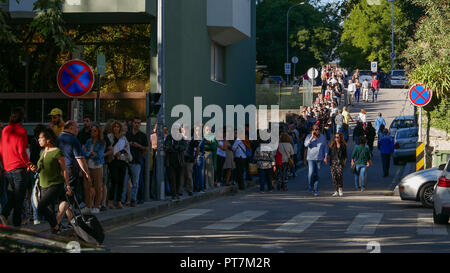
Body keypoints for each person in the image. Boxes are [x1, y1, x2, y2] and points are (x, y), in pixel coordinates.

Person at [30, 128, 72, 234]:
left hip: (55, 184)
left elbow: (64, 170)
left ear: (48, 140)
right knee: (49, 211)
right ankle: (55, 231)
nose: (38, 140)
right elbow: (40, 169)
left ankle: (56, 227)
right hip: (43, 185)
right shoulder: (43, 151)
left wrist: (67, 185)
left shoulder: (57, 151)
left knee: (41, 207)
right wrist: (34, 168)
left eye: (40, 138)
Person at [0, 107, 35, 227]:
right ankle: (16, 224)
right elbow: (21, 151)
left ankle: (4, 214)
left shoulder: (5, 130)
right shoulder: (22, 131)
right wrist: (29, 164)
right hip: (19, 168)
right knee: (19, 198)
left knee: (12, 195)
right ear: (22, 118)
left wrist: (4, 166)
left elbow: (1, 149)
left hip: (8, 167)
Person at [57, 120, 92, 218]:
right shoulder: (73, 139)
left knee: (64, 195)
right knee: (69, 196)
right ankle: (57, 221)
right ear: (71, 128)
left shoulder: (58, 137)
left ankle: (70, 220)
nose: (78, 129)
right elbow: (80, 158)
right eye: (77, 127)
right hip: (70, 170)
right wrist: (86, 172)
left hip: (59, 169)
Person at [106, 121, 132, 209]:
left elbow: (127, 149)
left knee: (121, 181)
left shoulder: (124, 138)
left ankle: (118, 201)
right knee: (114, 180)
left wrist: (123, 153)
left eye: (117, 127)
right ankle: (110, 201)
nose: (116, 128)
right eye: (114, 126)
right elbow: (108, 147)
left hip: (122, 161)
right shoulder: (110, 136)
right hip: (113, 161)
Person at [124, 117, 148, 206]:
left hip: (137, 160)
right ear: (133, 123)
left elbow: (146, 148)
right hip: (127, 160)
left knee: (135, 182)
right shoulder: (128, 134)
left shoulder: (142, 135)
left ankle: (133, 199)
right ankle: (124, 199)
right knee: (125, 181)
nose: (137, 124)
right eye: (135, 123)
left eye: (138, 123)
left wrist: (139, 146)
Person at [83, 123, 105, 213]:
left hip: (97, 166)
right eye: (91, 130)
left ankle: (97, 206)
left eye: (95, 130)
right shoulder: (88, 141)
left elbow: (99, 155)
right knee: (87, 187)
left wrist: (89, 153)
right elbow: (84, 152)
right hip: (88, 165)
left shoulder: (102, 142)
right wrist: (91, 153)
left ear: (98, 132)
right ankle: (88, 206)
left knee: (97, 186)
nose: (92, 132)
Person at [304, 125, 329, 197]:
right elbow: (305, 145)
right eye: (315, 129)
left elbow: (325, 147)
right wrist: (311, 137)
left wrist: (326, 156)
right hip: (311, 158)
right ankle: (309, 186)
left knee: (317, 175)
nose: (316, 131)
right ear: (312, 130)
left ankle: (315, 190)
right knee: (311, 173)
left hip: (319, 158)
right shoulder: (308, 136)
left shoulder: (322, 137)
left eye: (317, 129)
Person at [164, 124, 187, 200]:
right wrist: (173, 148)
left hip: (179, 162)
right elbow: (166, 147)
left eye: (178, 129)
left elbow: (184, 147)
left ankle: (177, 192)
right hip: (170, 162)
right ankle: (173, 194)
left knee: (178, 179)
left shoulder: (181, 138)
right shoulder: (169, 137)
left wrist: (177, 147)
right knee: (171, 178)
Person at [328, 132, 347, 197]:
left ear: (340, 138)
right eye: (335, 137)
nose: (336, 138)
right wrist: (326, 159)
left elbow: (345, 155)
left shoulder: (343, 145)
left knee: (340, 175)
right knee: (334, 177)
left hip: (340, 163)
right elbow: (329, 154)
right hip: (333, 162)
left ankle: (340, 189)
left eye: (337, 137)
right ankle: (336, 190)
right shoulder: (332, 145)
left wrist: (344, 163)